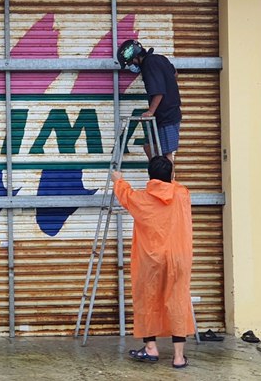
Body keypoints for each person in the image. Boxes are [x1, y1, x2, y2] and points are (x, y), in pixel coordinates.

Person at [111, 156, 194, 369]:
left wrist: (118, 179)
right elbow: (172, 184)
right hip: (178, 257)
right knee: (177, 300)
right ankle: (178, 357)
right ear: (171, 176)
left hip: (150, 259)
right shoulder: (182, 194)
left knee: (147, 298)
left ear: (149, 176)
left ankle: (150, 347)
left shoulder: (141, 199)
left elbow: (125, 195)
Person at [117, 39, 181, 165]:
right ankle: (157, 174)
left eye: (131, 62)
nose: (132, 65)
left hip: (167, 115)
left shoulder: (148, 65)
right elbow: (175, 74)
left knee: (166, 155)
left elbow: (159, 91)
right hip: (163, 114)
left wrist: (150, 111)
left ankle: (166, 183)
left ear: (136, 57)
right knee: (148, 146)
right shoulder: (160, 58)